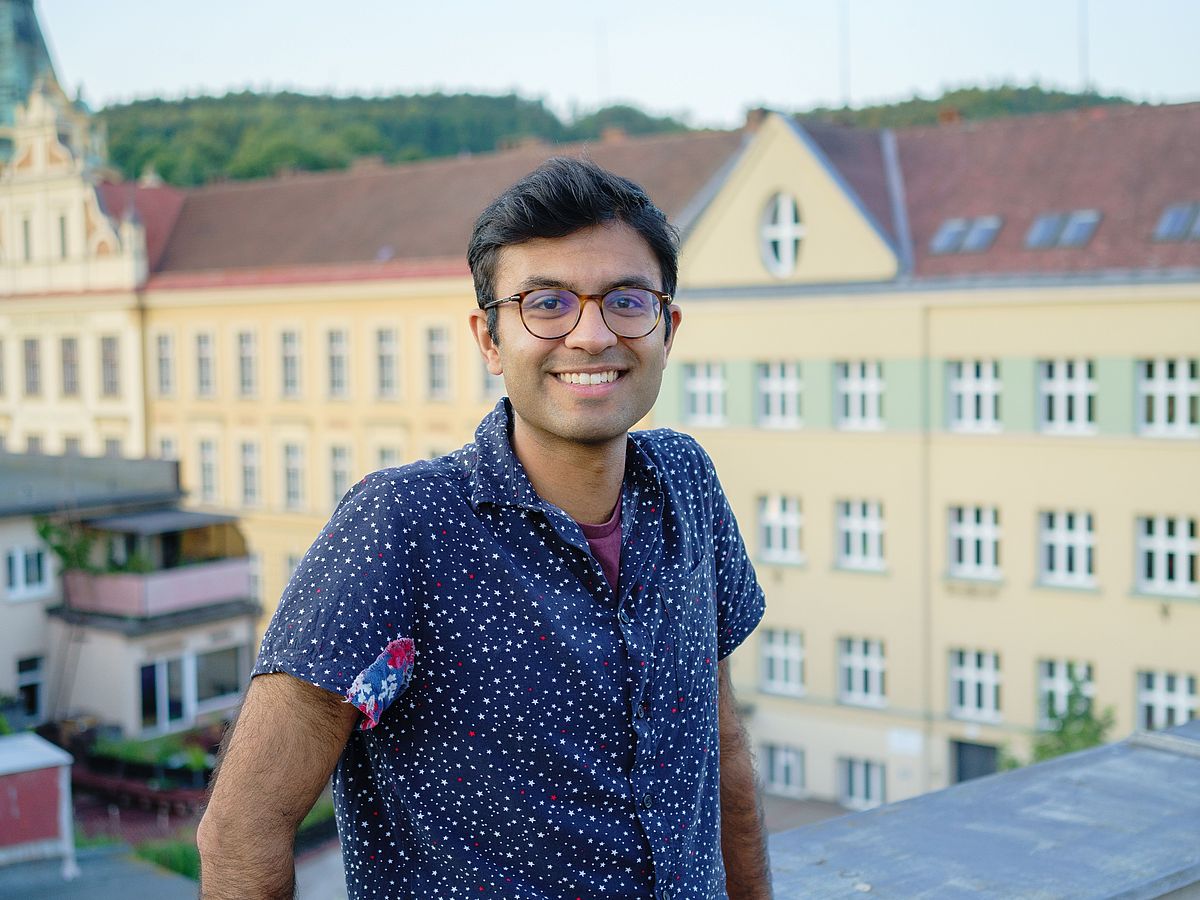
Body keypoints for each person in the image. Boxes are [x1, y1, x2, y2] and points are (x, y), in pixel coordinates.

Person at [197, 157, 771, 899]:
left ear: (667, 329)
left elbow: (722, 751)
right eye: (546, 303)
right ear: (490, 340)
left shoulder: (686, 484)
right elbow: (242, 829)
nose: (592, 334)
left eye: (627, 301)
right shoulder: (403, 526)